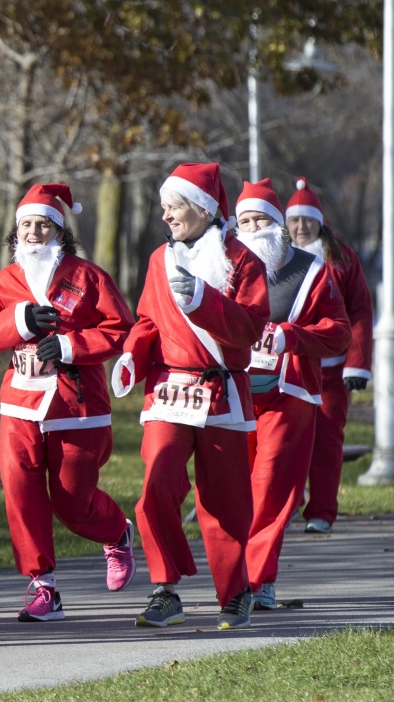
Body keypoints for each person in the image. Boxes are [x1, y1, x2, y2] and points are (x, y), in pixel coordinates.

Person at [0, 183, 137, 622]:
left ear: (59, 232)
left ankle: (116, 533)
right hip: (20, 404)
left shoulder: (87, 276)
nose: (34, 232)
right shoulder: (7, 281)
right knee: (21, 493)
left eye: (43, 224)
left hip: (76, 406)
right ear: (15, 233)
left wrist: (68, 346)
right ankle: (42, 586)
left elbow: (121, 330)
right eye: (26, 225)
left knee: (72, 501)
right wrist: (18, 321)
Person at [112, 162, 268, 631]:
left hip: (223, 390)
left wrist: (203, 298)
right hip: (169, 389)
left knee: (225, 501)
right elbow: (147, 321)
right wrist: (130, 358)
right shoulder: (160, 260)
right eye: (164, 208)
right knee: (156, 484)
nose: (167, 217)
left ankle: (236, 592)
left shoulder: (242, 260)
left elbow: (250, 328)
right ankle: (165, 588)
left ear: (202, 209)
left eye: (174, 207)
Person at [235, 178, 350, 610]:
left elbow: (339, 332)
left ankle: (259, 579)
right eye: (244, 221)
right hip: (233, 392)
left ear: (278, 224)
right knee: (234, 489)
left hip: (289, 393)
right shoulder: (222, 266)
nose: (252, 228)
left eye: (260, 219)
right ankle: (236, 576)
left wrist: (292, 337)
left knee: (271, 486)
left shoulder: (313, 270)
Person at [284, 178, 374, 535]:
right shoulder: (276, 254)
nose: (302, 227)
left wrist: (358, 362)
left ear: (319, 221)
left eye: (308, 219)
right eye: (295, 220)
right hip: (287, 369)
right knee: (284, 442)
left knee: (326, 442)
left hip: (332, 371)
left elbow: (361, 310)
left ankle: (321, 510)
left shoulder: (342, 258)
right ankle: (285, 504)